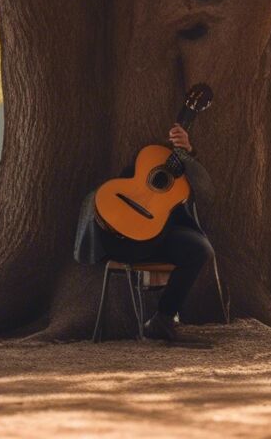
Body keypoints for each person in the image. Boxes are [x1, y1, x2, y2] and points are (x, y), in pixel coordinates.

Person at [75, 121, 218, 348]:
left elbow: (207, 191)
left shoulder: (185, 177)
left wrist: (189, 153)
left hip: (156, 234)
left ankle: (162, 320)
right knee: (198, 247)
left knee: (201, 249)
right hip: (119, 237)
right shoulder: (147, 157)